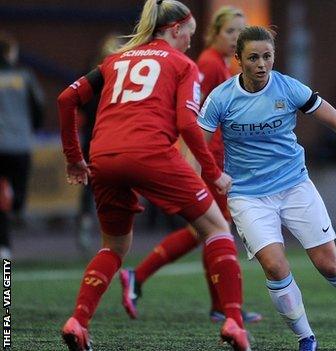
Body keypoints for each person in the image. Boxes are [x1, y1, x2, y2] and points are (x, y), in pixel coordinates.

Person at [57, 1, 251, 350]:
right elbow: (187, 124)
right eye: (189, 35)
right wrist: (212, 172)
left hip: (103, 156)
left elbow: (66, 99)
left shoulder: (114, 60)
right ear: (175, 29)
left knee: (114, 246)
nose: (191, 42)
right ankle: (234, 323)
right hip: (150, 153)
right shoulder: (183, 64)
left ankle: (78, 321)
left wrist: (75, 159)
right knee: (218, 228)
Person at [197, 26, 336, 351]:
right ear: (238, 59)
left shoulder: (289, 89)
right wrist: (196, 180)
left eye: (267, 56)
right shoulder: (221, 98)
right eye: (253, 57)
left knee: (329, 264)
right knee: (275, 265)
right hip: (248, 196)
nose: (262, 64)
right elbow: (196, 145)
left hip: (295, 187)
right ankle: (306, 338)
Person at [118, 5, 261, 324]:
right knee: (217, 230)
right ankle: (222, 306)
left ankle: (144, 278)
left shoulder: (221, 64)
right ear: (214, 34)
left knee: (206, 231)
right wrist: (195, 162)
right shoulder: (208, 64)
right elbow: (193, 118)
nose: (238, 37)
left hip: (218, 157)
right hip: (209, 159)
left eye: (242, 31)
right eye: (231, 31)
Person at [75, 33, 124, 255]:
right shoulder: (118, 75)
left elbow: (77, 103)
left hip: (97, 135)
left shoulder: (92, 74)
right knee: (109, 184)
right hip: (109, 135)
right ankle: (105, 226)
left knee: (91, 184)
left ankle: (90, 220)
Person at [0, 32, 45, 259]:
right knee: (17, 199)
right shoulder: (24, 76)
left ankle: (4, 246)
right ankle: (11, 208)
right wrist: (31, 128)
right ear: (10, 52)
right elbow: (38, 106)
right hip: (19, 144)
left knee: (2, 201)